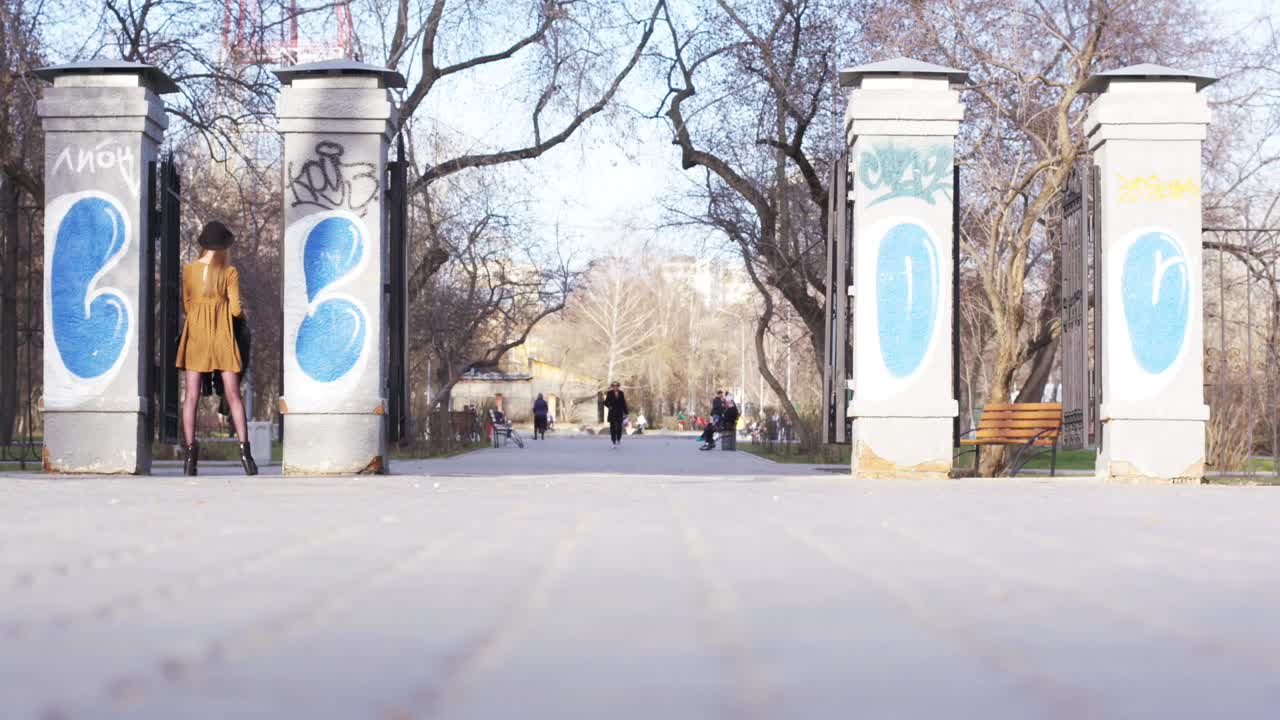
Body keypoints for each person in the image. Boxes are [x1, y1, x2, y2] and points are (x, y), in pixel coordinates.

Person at [175, 221, 257, 477]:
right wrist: (236, 310)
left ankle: (190, 457)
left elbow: (187, 305)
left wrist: (201, 311)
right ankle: (246, 456)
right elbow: (234, 310)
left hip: (197, 336)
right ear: (223, 247)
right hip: (222, 334)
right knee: (233, 395)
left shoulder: (188, 270)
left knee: (191, 396)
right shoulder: (229, 272)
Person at [603, 381, 628, 448]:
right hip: (612, 413)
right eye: (614, 386)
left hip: (619, 413)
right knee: (613, 428)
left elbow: (623, 403)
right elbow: (605, 402)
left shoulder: (621, 393)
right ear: (612, 387)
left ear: (618, 387)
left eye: (616, 386)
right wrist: (609, 406)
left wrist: (626, 411)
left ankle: (618, 439)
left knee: (619, 427)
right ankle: (613, 441)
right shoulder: (609, 393)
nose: (615, 387)